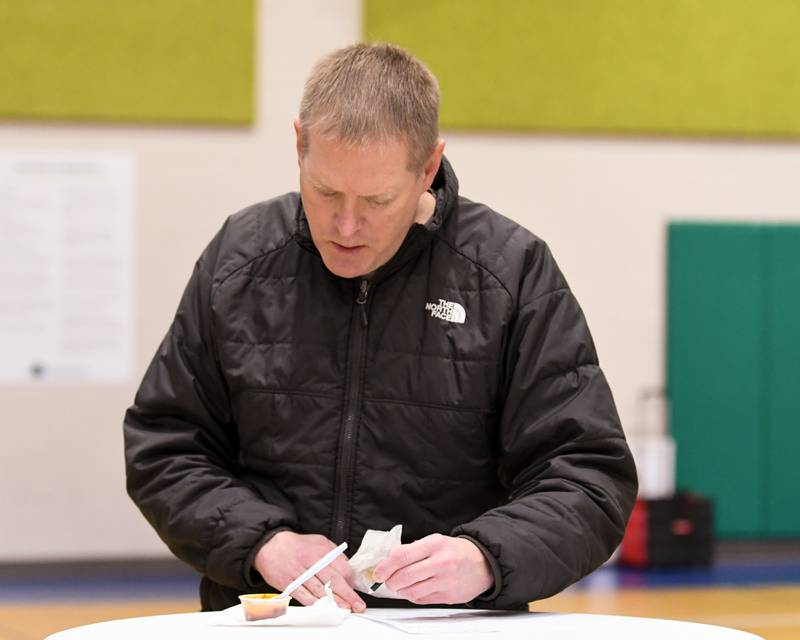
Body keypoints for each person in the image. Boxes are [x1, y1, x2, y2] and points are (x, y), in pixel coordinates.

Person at [124, 42, 637, 614]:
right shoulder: (238, 261)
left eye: (377, 200)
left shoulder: (510, 274)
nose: (346, 225)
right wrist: (263, 542)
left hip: (453, 626)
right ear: (299, 145)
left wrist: (485, 557)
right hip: (276, 622)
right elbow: (165, 448)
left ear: (428, 167)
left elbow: (589, 479)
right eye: (325, 192)